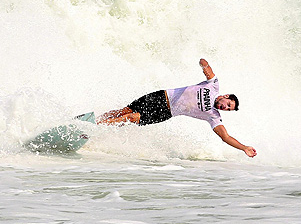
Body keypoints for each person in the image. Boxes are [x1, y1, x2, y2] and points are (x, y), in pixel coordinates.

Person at [97, 58, 257, 158]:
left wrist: (244, 148)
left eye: (227, 109)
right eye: (227, 105)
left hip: (165, 112)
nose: (224, 108)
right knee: (124, 111)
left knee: (132, 118)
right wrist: (203, 64)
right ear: (226, 96)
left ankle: (95, 127)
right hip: (162, 96)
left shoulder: (213, 116)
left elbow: (226, 137)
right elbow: (207, 67)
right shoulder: (214, 85)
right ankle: (96, 119)